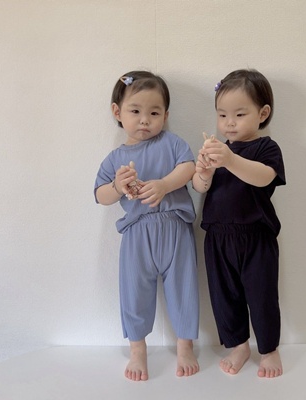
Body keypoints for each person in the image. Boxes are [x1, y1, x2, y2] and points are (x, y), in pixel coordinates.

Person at [94, 71, 199, 381]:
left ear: (165, 116)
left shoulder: (172, 143)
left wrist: (165, 184)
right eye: (135, 111)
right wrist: (117, 186)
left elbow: (189, 167)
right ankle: (137, 350)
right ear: (118, 112)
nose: (145, 120)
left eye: (154, 113)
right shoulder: (115, 159)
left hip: (175, 228)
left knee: (184, 287)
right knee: (134, 291)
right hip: (137, 233)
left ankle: (185, 347)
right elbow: (100, 196)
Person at [192, 69, 285, 378]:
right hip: (218, 237)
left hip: (256, 236)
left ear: (263, 114)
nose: (229, 123)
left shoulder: (266, 148)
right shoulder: (218, 150)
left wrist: (230, 160)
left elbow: (264, 178)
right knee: (224, 296)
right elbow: (200, 187)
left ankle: (269, 349)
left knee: (262, 296)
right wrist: (204, 172)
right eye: (222, 115)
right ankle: (239, 345)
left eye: (239, 114)